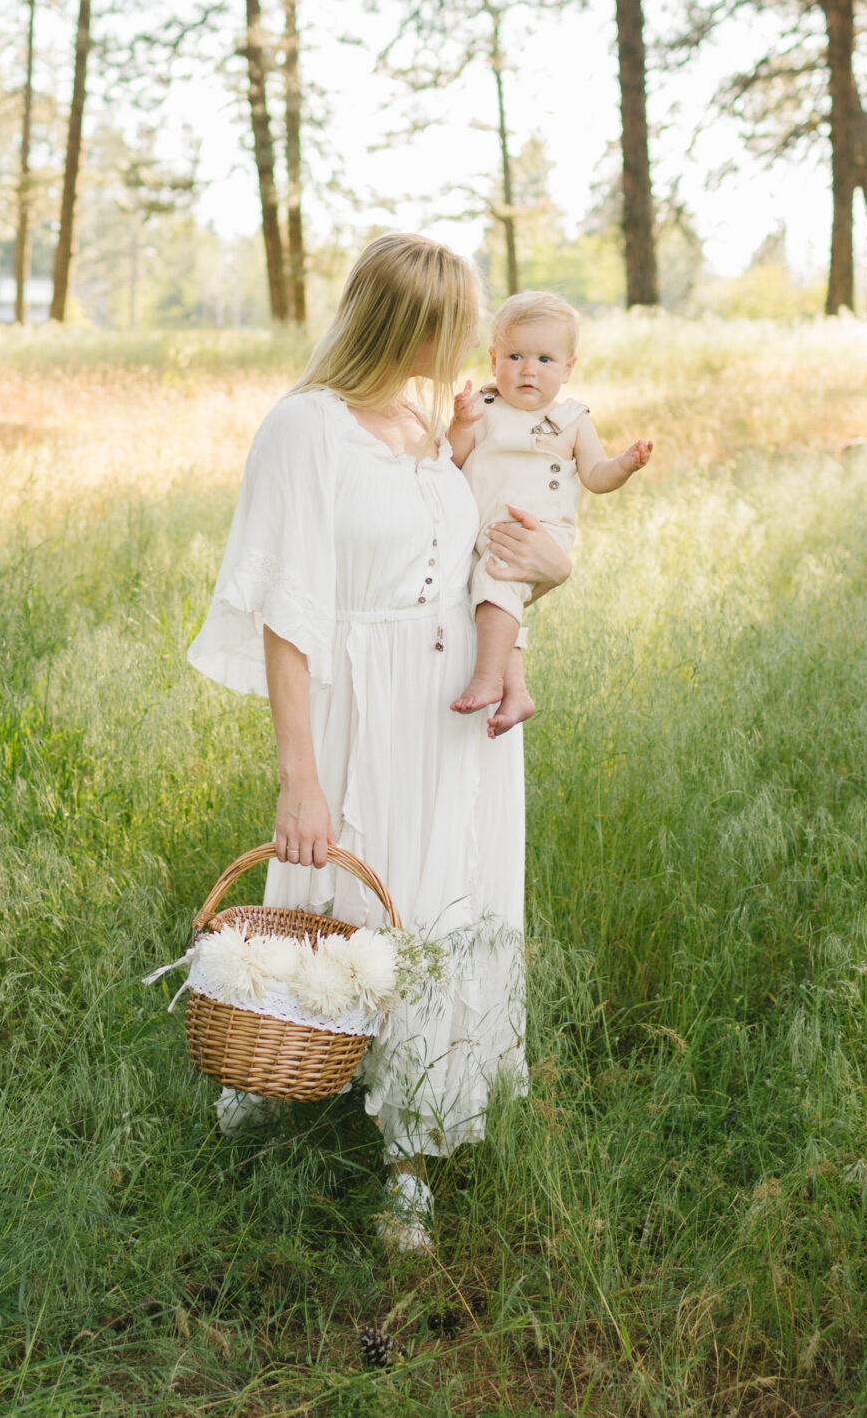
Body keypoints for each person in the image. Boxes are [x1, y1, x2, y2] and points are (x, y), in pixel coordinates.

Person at [186, 232, 574, 1252]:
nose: (478, 349)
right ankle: (282, 1077)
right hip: (366, 701)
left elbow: (471, 557)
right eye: (457, 325)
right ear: (410, 322)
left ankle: (415, 1149)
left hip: (457, 709)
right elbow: (286, 611)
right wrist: (298, 776)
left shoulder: (424, 418)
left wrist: (545, 575)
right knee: (349, 893)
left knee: (448, 902)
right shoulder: (306, 428)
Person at [446, 291, 652, 733]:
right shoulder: (482, 407)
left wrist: (624, 465)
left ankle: (487, 682)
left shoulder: (573, 420)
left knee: (494, 584)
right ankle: (518, 693)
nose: (528, 369)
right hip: (485, 535)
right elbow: (454, 461)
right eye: (516, 356)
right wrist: (460, 425)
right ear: (494, 357)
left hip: (534, 535)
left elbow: (596, 475)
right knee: (496, 597)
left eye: (544, 359)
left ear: (568, 368)